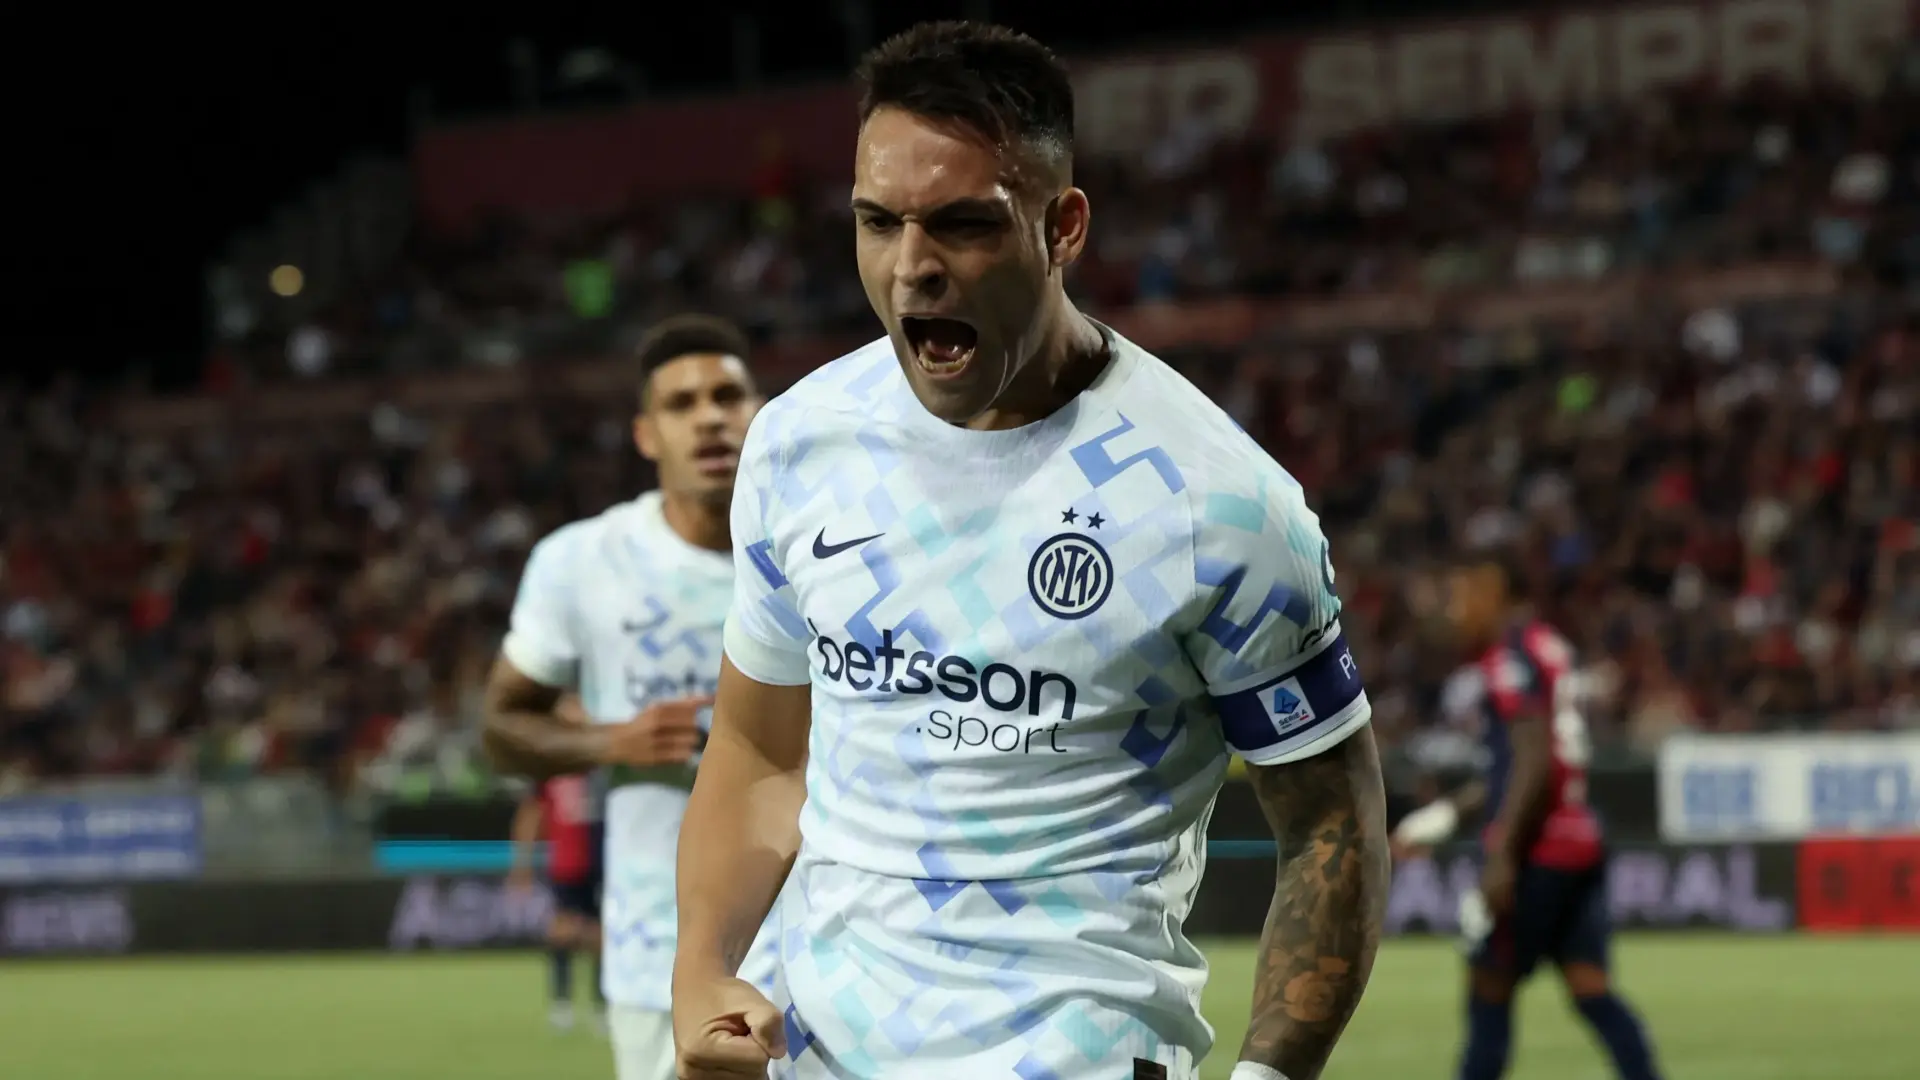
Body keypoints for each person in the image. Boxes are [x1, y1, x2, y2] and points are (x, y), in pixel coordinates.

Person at [672, 21, 1389, 1080]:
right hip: (814, 1052)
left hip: (1079, 1051)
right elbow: (759, 750)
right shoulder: (798, 445)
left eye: (963, 225)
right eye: (878, 223)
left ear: (1063, 228)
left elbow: (1331, 823)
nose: (912, 269)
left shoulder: (1220, 506)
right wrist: (701, 969)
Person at [482, 314, 783, 1080]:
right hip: (659, 954)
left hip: (826, 938)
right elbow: (501, 727)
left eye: (727, 397)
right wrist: (610, 742)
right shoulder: (582, 562)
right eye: (682, 404)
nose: (709, 418)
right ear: (647, 436)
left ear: (760, 413)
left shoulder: (817, 549)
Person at [1394, 554, 1664, 1080]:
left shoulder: (1509, 659)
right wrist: (1448, 813)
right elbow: (1522, 766)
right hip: (1579, 839)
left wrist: (1501, 854)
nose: (1458, 609)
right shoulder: (1547, 645)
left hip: (1539, 852)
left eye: (1464, 594)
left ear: (1495, 592)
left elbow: (1533, 758)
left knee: (1488, 991)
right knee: (1591, 989)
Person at [508, 766, 606, 1031]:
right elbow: (531, 812)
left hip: (602, 863)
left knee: (601, 936)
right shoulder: (551, 772)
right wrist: (522, 863)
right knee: (562, 932)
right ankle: (562, 1003)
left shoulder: (603, 771)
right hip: (566, 863)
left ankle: (600, 1004)